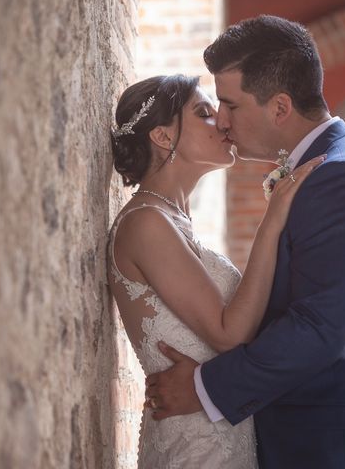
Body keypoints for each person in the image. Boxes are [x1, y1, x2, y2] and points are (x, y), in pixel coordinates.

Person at [144, 15, 345, 469]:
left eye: (230, 105)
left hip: (334, 447)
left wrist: (203, 387)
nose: (221, 120)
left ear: (279, 108)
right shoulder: (328, 167)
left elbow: (321, 328)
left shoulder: (344, 177)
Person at [108, 73, 324, 467]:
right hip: (194, 445)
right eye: (205, 113)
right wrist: (271, 221)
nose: (223, 122)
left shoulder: (174, 219)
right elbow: (229, 334)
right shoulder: (146, 223)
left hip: (224, 427)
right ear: (161, 136)